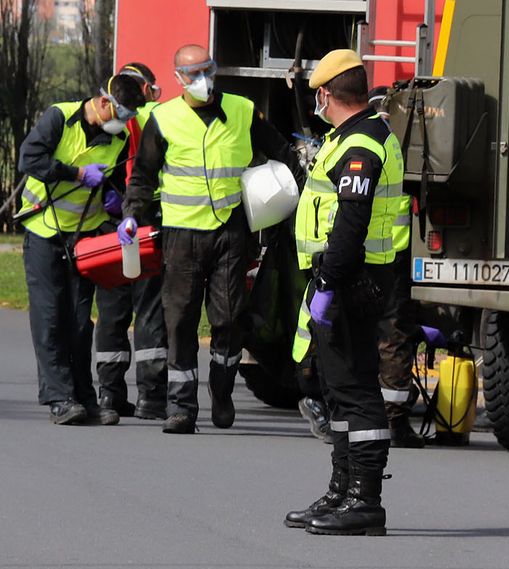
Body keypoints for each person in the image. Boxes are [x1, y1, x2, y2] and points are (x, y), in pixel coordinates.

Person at [122, 44, 299, 434]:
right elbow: (143, 175)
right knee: (180, 320)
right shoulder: (164, 119)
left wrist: (297, 192)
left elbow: (282, 152)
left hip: (230, 233)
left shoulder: (241, 110)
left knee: (230, 318)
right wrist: (132, 216)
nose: (202, 79)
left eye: (207, 70)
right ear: (178, 79)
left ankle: (221, 390)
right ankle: (182, 407)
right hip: (181, 236)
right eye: (192, 74)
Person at [283, 50, 408, 536]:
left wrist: (329, 284)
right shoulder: (347, 139)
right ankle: (341, 490)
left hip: (355, 280)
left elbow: (350, 225)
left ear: (325, 94)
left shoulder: (364, 144)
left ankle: (365, 500)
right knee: (338, 389)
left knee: (356, 391)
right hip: (343, 277)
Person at [16, 74, 148, 424]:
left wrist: (117, 204)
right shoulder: (59, 117)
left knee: (78, 321)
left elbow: (118, 183)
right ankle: (59, 399)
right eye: (122, 114)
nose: (125, 123)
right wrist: (76, 174)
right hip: (44, 231)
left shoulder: (116, 139)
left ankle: (84, 398)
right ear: (104, 102)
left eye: (131, 117)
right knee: (49, 318)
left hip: (84, 236)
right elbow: (29, 160)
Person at [93, 63, 168, 421]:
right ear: (148, 90)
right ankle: (151, 398)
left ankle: (109, 395)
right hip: (145, 221)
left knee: (111, 309)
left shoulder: (109, 115)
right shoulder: (157, 115)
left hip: (111, 223)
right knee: (150, 308)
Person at [366, 84, 426, 447]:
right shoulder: (399, 147)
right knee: (392, 337)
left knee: (358, 335)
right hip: (391, 256)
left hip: (360, 254)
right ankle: (392, 421)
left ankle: (355, 415)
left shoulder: (356, 142)